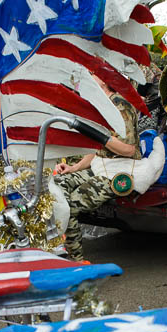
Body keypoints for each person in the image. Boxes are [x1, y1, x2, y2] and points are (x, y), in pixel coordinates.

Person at [53, 75, 141, 261]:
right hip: (100, 166)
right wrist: (73, 168)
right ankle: (65, 245)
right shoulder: (99, 105)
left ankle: (76, 260)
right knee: (57, 184)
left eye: (92, 73)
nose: (88, 76)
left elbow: (128, 149)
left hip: (119, 169)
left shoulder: (119, 104)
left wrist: (102, 137)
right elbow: (96, 149)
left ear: (103, 78)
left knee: (72, 205)